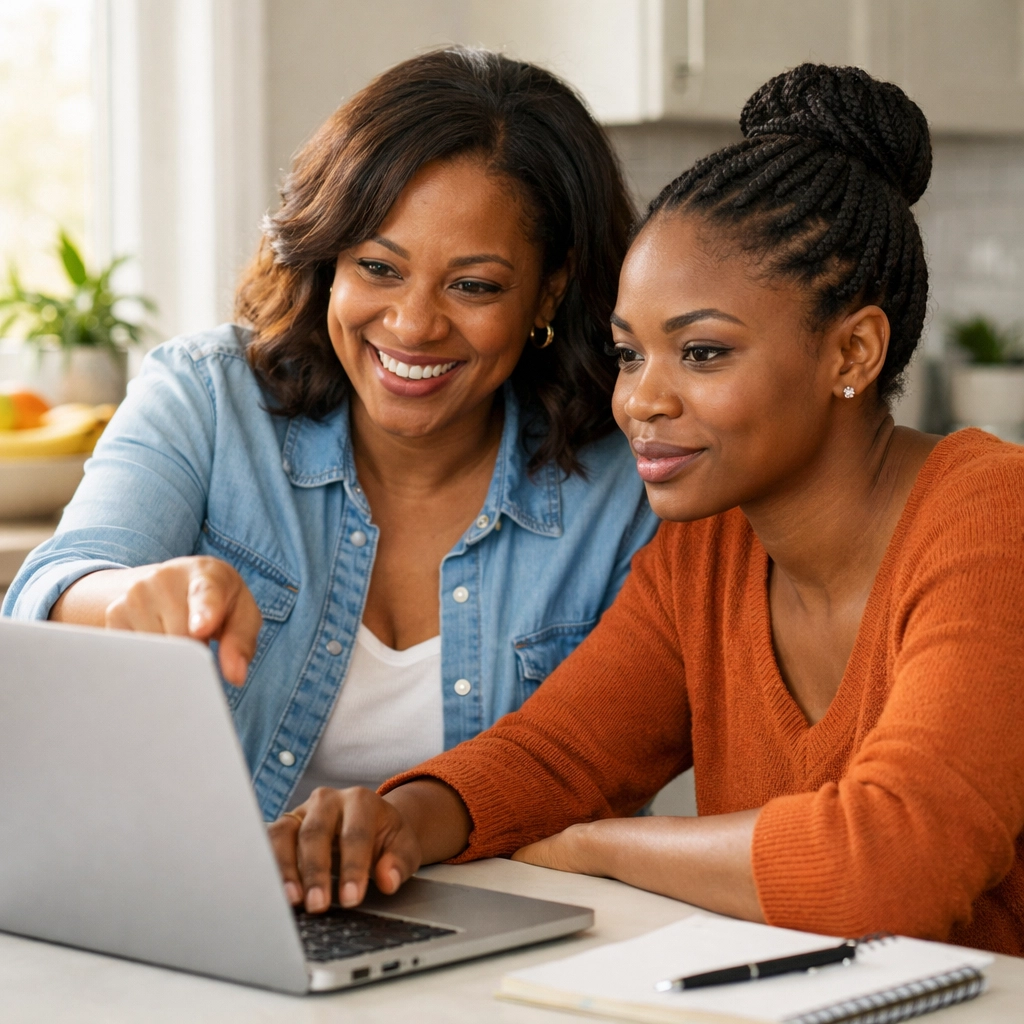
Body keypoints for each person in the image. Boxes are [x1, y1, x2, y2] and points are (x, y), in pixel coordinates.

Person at [267, 64, 1024, 956]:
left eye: (702, 353)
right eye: (630, 354)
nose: (640, 402)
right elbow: (556, 757)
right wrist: (395, 820)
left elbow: (886, 872)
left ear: (852, 350)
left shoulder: (992, 521)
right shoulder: (706, 550)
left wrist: (599, 847)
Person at [2, 48, 658, 821]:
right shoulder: (208, 397)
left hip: (517, 922)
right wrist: (125, 599)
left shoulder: (626, 483)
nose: (414, 325)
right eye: (378, 268)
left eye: (473, 286)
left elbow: (602, 770)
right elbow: (56, 584)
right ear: (328, 257)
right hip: (215, 908)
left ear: (549, 288)